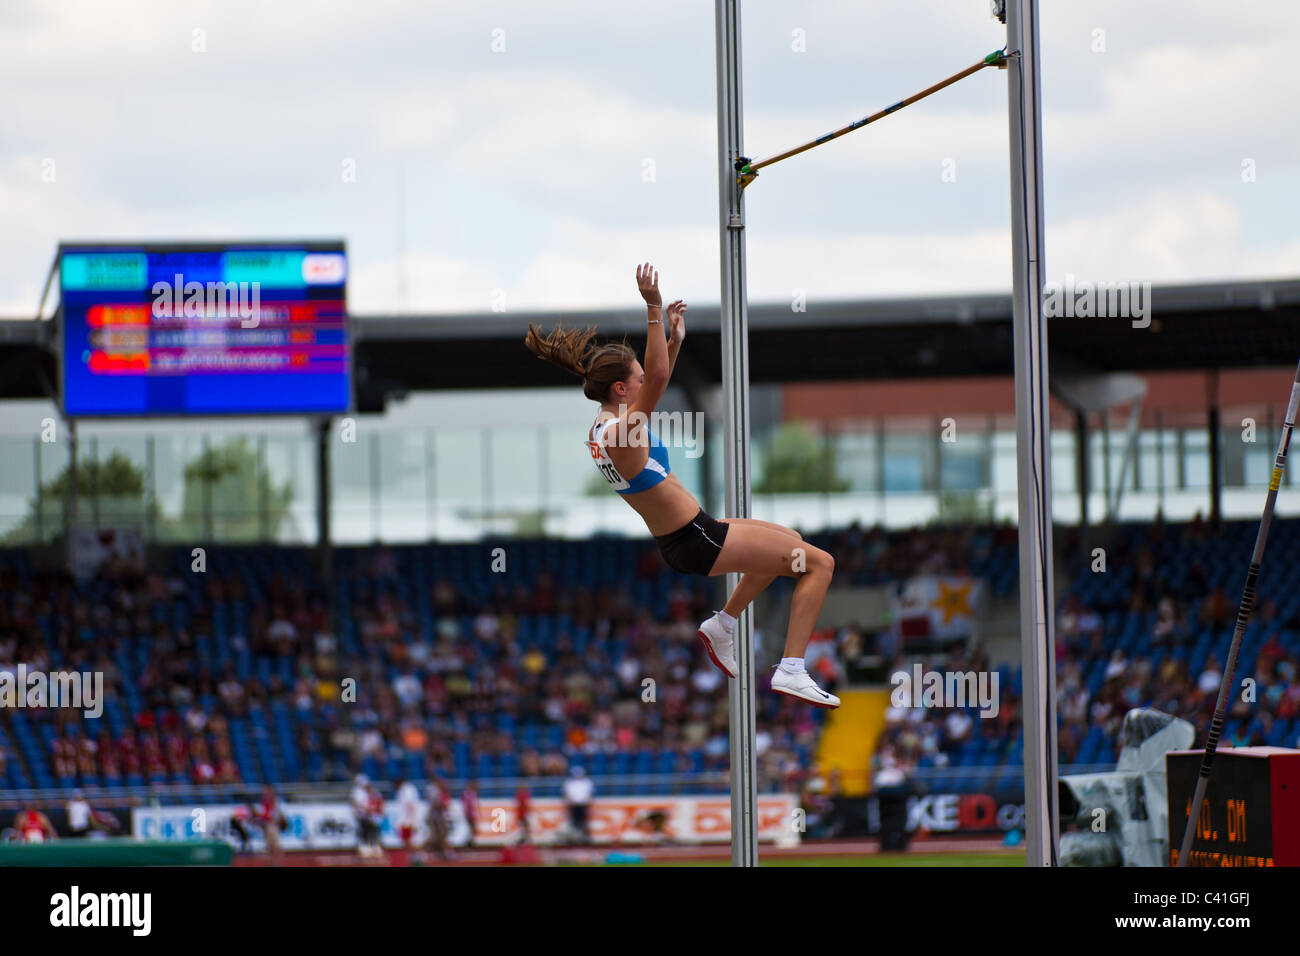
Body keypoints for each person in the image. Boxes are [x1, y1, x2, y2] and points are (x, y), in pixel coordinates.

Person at [524, 263, 839, 708]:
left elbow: (653, 375)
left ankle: (724, 624)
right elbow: (656, 379)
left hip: (692, 533)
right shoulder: (621, 436)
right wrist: (653, 306)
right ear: (620, 388)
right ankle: (791, 669)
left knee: (791, 542)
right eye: (633, 378)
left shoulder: (603, 428)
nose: (644, 382)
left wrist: (673, 341)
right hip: (697, 540)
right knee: (819, 564)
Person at [253, 784, 287, 865]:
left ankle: (278, 863)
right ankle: (273, 862)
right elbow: (263, 813)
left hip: (272, 824)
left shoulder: (274, 801)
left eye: (266, 791)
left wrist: (278, 820)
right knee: (269, 846)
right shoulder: (264, 802)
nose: (264, 793)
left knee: (275, 845)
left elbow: (277, 813)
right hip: (266, 825)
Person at [562, 766, 594, 845]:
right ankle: (573, 838)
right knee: (574, 822)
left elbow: (590, 794)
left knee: (583, 822)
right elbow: (566, 794)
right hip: (573, 805)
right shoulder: (569, 782)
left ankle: (585, 838)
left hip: (583, 804)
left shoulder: (587, 782)